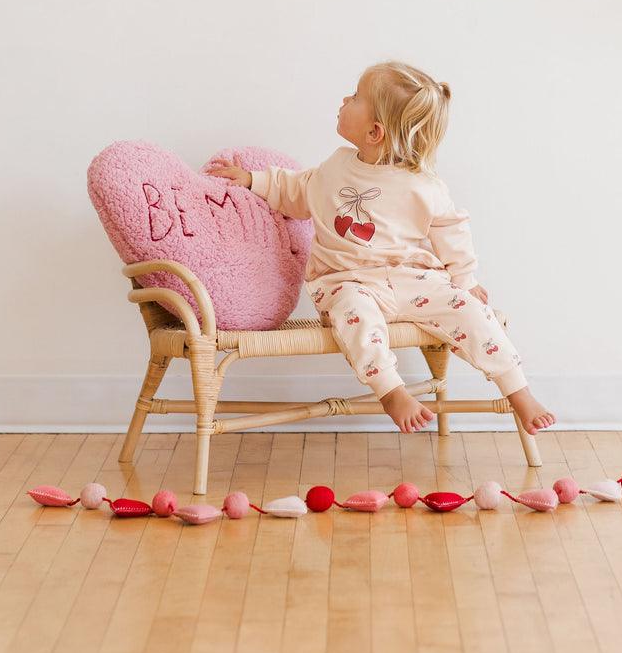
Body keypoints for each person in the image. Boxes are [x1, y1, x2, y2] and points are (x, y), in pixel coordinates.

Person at [205, 61, 555, 435]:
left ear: (375, 131)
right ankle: (390, 391)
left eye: (355, 97)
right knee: (356, 316)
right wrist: (253, 180)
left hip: (412, 281)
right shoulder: (335, 167)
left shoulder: (423, 185)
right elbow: (299, 188)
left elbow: (451, 229)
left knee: (472, 311)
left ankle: (517, 389)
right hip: (346, 282)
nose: (344, 99)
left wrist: (465, 281)